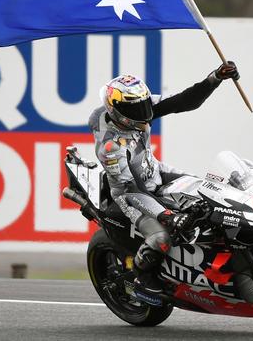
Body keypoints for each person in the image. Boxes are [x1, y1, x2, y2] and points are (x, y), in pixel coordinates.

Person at [88, 62, 239, 295]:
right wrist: (166, 215)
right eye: (137, 108)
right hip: (130, 196)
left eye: (144, 103)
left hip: (154, 170)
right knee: (161, 237)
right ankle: (142, 280)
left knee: (208, 190)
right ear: (116, 111)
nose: (145, 112)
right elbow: (131, 190)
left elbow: (183, 101)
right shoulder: (110, 147)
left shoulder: (136, 106)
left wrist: (215, 78)